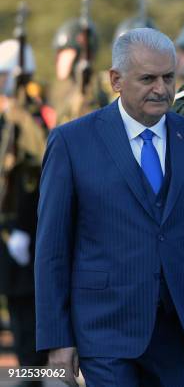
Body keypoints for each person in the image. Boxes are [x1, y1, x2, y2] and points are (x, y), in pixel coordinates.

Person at [35, 28, 184, 387]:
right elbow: (52, 250)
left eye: (169, 77)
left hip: (183, 332)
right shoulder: (72, 142)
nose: (161, 88)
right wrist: (57, 338)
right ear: (116, 80)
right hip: (105, 332)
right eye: (148, 78)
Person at [0, 38, 49, 387]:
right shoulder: (8, 118)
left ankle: (35, 375)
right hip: (11, 230)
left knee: (29, 309)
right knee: (18, 308)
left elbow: (36, 171)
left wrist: (22, 227)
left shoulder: (31, 118)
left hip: (27, 229)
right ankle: (27, 372)